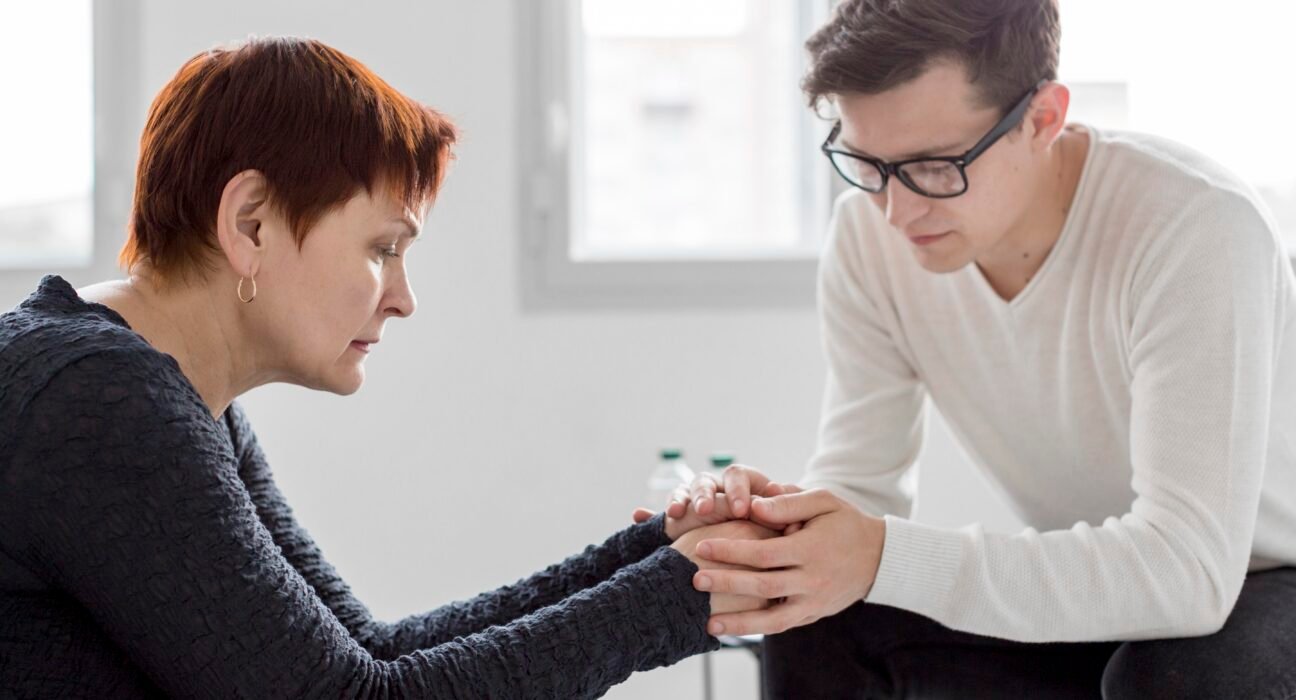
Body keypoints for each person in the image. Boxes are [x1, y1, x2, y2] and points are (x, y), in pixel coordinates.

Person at [0, 37, 776, 699]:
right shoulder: (99, 402)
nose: (403, 299)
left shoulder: (167, 392)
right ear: (251, 223)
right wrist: (683, 595)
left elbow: (365, 655)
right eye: (382, 249)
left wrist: (661, 553)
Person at [642, 0, 1296, 696]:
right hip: (1117, 584)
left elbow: (1189, 572)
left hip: (1261, 577)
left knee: (1175, 677)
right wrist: (775, 534)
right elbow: (860, 487)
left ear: (1042, 118)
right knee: (816, 611)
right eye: (868, 164)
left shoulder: (1193, 228)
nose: (898, 211)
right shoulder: (869, 238)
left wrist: (881, 554)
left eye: (933, 166)